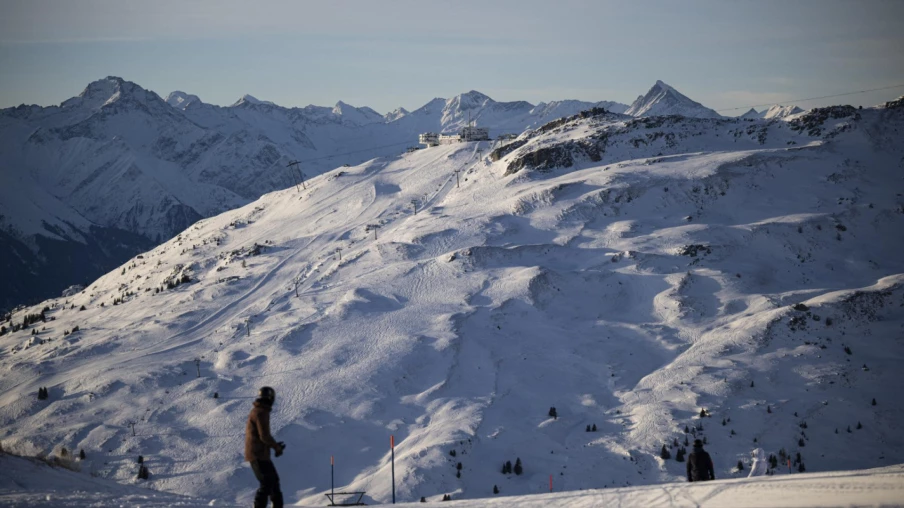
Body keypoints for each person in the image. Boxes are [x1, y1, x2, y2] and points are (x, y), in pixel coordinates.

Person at [245, 386, 286, 508]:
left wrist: (275, 446)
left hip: (260, 454)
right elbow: (264, 436)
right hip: (258, 454)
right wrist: (276, 447)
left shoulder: (259, 411)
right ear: (270, 398)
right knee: (267, 483)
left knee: (273, 482)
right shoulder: (261, 412)